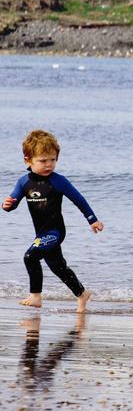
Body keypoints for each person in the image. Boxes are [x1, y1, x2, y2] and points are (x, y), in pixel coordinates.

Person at [2, 129, 104, 311]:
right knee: (58, 268)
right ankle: (82, 293)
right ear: (28, 160)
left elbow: (78, 199)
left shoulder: (59, 181)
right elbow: (12, 203)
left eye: (53, 159)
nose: (49, 164)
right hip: (41, 233)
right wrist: (7, 205)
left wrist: (92, 220)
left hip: (55, 231)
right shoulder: (23, 182)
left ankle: (35, 296)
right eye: (43, 161)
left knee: (30, 257)